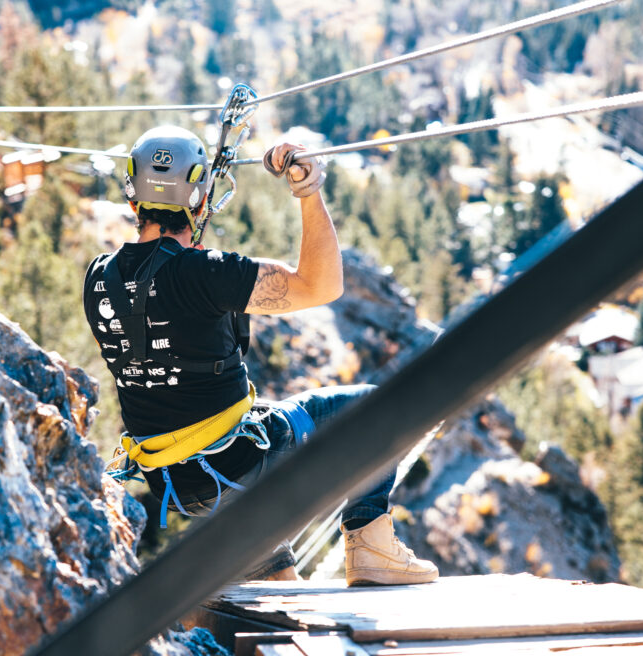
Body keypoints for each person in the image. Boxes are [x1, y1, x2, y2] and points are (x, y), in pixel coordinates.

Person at [83, 124, 437, 586]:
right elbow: (322, 284)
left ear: (133, 198)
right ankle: (370, 545)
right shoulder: (208, 275)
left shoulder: (98, 279)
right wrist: (308, 191)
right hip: (236, 461)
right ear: (201, 200)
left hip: (176, 481)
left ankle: (264, 558)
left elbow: (161, 322)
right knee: (381, 405)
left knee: (277, 598)